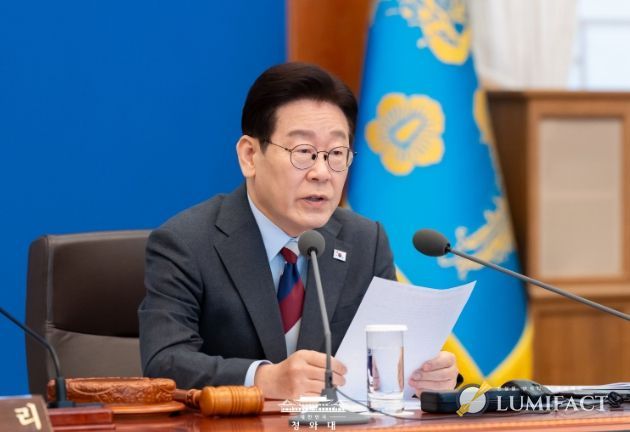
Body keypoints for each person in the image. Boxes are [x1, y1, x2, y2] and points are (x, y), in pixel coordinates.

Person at [138, 62, 459, 400]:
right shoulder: (186, 242)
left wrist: (424, 377)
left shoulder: (366, 241)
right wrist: (265, 379)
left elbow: (386, 354)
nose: (322, 172)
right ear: (250, 156)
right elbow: (164, 362)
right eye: (303, 152)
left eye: (336, 154)